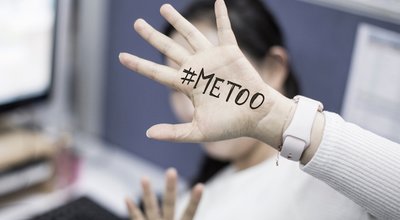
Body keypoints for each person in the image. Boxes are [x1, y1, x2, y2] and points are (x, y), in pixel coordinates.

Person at [119, 0, 400, 219]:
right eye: (179, 89)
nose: (195, 106)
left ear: (275, 68)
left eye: (212, 84)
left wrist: (277, 118)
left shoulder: (324, 183)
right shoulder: (213, 185)